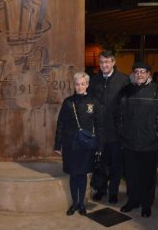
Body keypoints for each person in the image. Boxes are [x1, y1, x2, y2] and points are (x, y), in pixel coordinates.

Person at [117, 62, 158, 218]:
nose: (139, 74)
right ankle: (133, 201)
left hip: (150, 143)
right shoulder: (126, 91)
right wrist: (122, 132)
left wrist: (157, 131)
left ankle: (146, 205)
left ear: (148, 74)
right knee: (131, 176)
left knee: (147, 177)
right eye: (136, 72)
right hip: (129, 142)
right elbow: (118, 114)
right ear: (133, 73)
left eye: (143, 72)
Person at [54, 72, 103, 216]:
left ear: (87, 84)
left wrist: (100, 146)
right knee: (73, 175)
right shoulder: (68, 102)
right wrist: (58, 144)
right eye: (77, 84)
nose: (80, 87)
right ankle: (74, 204)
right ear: (74, 85)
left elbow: (99, 125)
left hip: (86, 146)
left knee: (82, 176)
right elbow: (61, 124)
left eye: (83, 84)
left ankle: (82, 204)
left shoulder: (94, 102)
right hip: (70, 145)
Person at [87, 50, 129, 204]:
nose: (104, 65)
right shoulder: (94, 80)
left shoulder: (123, 80)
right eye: (101, 62)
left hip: (117, 131)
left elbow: (128, 104)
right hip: (100, 131)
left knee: (117, 164)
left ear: (113, 62)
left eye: (107, 62)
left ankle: (113, 192)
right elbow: (89, 102)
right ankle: (101, 189)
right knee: (102, 163)